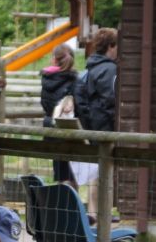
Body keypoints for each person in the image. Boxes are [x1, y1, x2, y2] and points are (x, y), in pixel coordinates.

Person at [40, 44, 79, 186]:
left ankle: (61, 205)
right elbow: (79, 105)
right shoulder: (74, 80)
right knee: (72, 175)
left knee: (60, 174)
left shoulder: (46, 80)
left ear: (54, 59)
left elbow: (45, 104)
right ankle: (72, 206)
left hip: (52, 129)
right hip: (70, 130)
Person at [78, 27, 119, 132]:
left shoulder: (93, 65)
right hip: (106, 128)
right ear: (110, 46)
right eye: (117, 45)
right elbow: (110, 101)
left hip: (94, 124)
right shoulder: (109, 69)